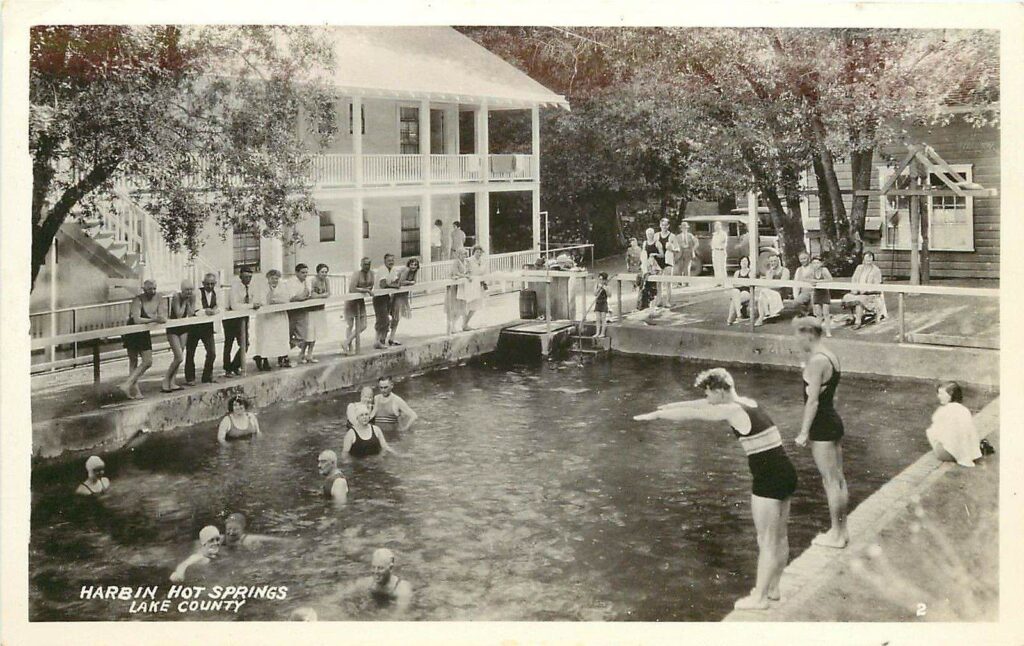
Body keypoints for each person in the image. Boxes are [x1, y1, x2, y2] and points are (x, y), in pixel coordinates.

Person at [633, 367, 796, 610]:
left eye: (710, 394)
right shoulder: (748, 402)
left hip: (768, 479)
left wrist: (656, 417)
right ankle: (773, 590)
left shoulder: (731, 410)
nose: (707, 399)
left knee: (766, 540)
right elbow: (700, 403)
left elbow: (694, 414)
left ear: (720, 392)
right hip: (786, 473)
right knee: (780, 537)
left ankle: (759, 598)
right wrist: (668, 406)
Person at [793, 317, 849, 549]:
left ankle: (836, 535)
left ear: (808, 334)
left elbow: (813, 402)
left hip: (822, 425)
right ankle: (842, 532)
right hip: (833, 420)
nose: (796, 340)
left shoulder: (816, 362)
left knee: (829, 481)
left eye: (797, 335)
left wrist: (804, 432)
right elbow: (832, 394)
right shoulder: (830, 356)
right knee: (838, 479)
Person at [120, 279, 166, 399]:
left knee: (147, 361)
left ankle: (127, 384)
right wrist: (154, 319)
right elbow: (137, 319)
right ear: (144, 289)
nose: (153, 291)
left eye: (154, 288)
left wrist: (158, 318)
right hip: (133, 331)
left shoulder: (159, 298)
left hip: (144, 331)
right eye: (150, 289)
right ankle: (135, 391)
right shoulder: (137, 300)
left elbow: (162, 315)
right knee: (133, 361)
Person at [925, 381, 982, 467]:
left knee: (931, 432)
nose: (939, 396)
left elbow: (936, 431)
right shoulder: (964, 410)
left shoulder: (944, 410)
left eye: (941, 394)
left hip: (947, 453)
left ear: (950, 395)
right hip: (967, 451)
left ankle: (953, 452)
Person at [253, 269, 292, 370]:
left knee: (280, 338)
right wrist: (272, 299)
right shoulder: (263, 287)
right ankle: (264, 360)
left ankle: (282, 357)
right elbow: (263, 301)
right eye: (272, 278)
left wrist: (275, 300)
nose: (275, 280)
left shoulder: (282, 286)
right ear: (268, 278)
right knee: (266, 339)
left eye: (276, 278)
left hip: (279, 316)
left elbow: (286, 299)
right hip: (267, 317)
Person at [185, 272, 220, 386]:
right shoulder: (197, 293)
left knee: (212, 353)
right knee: (191, 352)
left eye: (212, 284)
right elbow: (196, 310)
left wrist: (214, 310)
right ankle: (190, 377)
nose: (210, 286)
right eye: (207, 284)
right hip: (194, 327)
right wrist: (206, 311)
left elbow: (220, 306)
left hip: (207, 327)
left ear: (215, 284)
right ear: (203, 283)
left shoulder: (216, 293)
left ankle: (207, 376)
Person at [223, 266, 257, 378]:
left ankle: (235, 365)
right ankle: (227, 369)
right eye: (246, 277)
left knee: (245, 344)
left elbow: (254, 300)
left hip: (243, 317)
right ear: (240, 276)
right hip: (231, 319)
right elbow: (234, 306)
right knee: (229, 343)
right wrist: (251, 306)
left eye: (250, 277)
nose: (248, 279)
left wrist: (252, 305)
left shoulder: (251, 288)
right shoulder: (235, 288)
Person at [163, 279, 195, 392]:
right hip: (174, 328)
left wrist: (190, 302)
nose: (189, 292)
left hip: (184, 328)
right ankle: (166, 380)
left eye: (191, 290)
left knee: (179, 357)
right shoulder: (176, 297)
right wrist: (186, 302)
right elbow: (179, 314)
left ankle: (172, 381)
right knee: (179, 357)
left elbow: (191, 313)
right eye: (187, 290)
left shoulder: (192, 297)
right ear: (182, 290)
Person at [842, 251, 883, 329]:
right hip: (858, 291)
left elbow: (878, 285)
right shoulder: (859, 268)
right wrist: (854, 289)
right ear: (863, 258)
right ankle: (852, 317)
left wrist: (867, 291)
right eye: (867, 257)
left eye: (870, 257)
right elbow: (853, 280)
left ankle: (858, 321)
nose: (869, 259)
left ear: (873, 259)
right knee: (847, 297)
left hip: (870, 294)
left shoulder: (876, 270)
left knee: (859, 300)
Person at [344, 257, 374, 355]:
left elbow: (371, 286)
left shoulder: (371, 273)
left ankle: (346, 342)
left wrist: (365, 289)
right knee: (350, 325)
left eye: (369, 264)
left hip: (360, 301)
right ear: (361, 265)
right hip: (351, 300)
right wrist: (365, 290)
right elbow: (352, 288)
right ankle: (349, 347)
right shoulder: (356, 274)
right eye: (365, 264)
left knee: (363, 325)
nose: (367, 266)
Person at [388, 257, 419, 346]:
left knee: (397, 318)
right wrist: (410, 282)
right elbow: (401, 282)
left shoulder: (414, 272)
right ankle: (389, 335)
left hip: (404, 296)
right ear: (409, 264)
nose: (413, 266)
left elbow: (415, 281)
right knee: (396, 317)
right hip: (398, 295)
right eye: (412, 264)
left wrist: (412, 281)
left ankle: (391, 338)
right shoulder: (406, 270)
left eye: (415, 265)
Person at [304, 263, 331, 363]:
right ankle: (302, 354)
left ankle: (309, 354)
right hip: (311, 310)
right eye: (322, 272)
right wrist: (323, 295)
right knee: (309, 334)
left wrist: (321, 295)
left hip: (320, 309)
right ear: (317, 272)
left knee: (315, 334)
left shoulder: (326, 280)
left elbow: (329, 293)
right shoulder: (313, 280)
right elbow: (313, 295)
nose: (324, 274)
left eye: (326, 272)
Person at [374, 254, 401, 349]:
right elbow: (383, 284)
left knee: (388, 319)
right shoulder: (382, 269)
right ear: (385, 261)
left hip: (387, 296)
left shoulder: (393, 270)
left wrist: (394, 284)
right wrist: (393, 285)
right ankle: (377, 341)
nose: (391, 262)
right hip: (378, 297)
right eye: (389, 260)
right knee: (382, 320)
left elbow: (397, 281)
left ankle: (382, 341)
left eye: (392, 260)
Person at [755, 255, 790, 327]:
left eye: (775, 261)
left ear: (778, 261)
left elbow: (782, 284)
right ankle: (763, 316)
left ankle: (763, 316)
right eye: (771, 261)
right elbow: (767, 284)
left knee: (763, 292)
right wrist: (770, 273)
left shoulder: (785, 270)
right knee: (763, 295)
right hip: (769, 292)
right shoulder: (769, 271)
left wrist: (770, 285)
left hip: (780, 292)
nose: (773, 263)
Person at [223, 512, 288, 549]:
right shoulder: (221, 539)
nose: (231, 532)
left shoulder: (247, 539)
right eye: (229, 529)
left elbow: (271, 539)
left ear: (242, 528)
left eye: (235, 530)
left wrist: (287, 542)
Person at [288, 263, 312, 360]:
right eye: (302, 272)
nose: (305, 275)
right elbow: (293, 297)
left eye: (306, 272)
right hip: (292, 312)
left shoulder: (307, 282)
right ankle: (280, 355)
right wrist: (302, 297)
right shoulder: (291, 282)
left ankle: (282, 353)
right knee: (288, 335)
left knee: (302, 336)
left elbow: (308, 295)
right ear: (296, 273)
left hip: (302, 311)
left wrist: (303, 297)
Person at [460, 246, 488, 330]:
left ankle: (465, 324)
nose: (479, 254)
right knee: (469, 305)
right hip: (471, 285)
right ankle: (464, 324)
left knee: (476, 305)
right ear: (474, 252)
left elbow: (483, 272)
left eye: (480, 252)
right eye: (477, 252)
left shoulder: (483, 261)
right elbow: (466, 272)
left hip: (479, 285)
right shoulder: (469, 260)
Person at [807, 256, 834, 338]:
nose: (816, 264)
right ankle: (817, 331)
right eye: (814, 263)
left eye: (818, 262)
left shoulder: (824, 270)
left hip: (825, 293)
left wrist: (818, 281)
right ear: (811, 264)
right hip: (816, 294)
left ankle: (828, 332)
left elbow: (830, 279)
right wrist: (811, 281)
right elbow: (804, 278)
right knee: (818, 314)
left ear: (821, 263)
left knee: (826, 313)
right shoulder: (811, 271)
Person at [447, 249, 470, 334]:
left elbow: (469, 271)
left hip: (463, 286)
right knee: (456, 307)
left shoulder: (466, 262)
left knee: (463, 307)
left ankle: (462, 325)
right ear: (459, 255)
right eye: (463, 254)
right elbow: (455, 273)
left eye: (465, 254)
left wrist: (467, 275)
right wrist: (465, 276)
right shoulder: (456, 262)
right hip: (456, 287)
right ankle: (452, 326)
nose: (464, 256)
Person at [726, 256, 753, 325]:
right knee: (735, 292)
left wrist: (740, 284)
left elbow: (750, 284)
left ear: (748, 262)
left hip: (746, 292)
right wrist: (743, 283)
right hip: (737, 292)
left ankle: (730, 319)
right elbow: (734, 285)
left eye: (745, 261)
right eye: (742, 261)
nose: (744, 263)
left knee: (734, 300)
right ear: (740, 263)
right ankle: (739, 316)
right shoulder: (737, 272)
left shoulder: (750, 272)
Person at [593, 272, 610, 338]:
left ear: (605, 280)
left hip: (604, 303)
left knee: (603, 318)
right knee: (597, 319)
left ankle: (602, 333)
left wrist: (605, 289)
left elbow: (609, 295)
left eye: (602, 279)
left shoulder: (607, 286)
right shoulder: (597, 285)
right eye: (599, 279)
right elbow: (595, 293)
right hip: (598, 302)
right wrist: (599, 288)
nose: (601, 281)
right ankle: (597, 333)